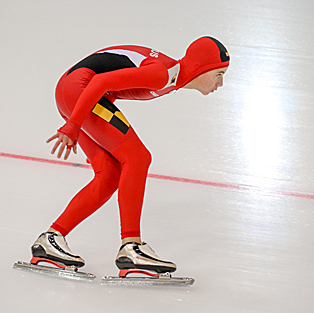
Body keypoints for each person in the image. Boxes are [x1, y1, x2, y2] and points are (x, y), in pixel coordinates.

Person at [31, 36, 230, 274]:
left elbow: (111, 83)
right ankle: (132, 246)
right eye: (218, 74)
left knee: (110, 175)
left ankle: (51, 239)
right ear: (200, 68)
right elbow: (100, 82)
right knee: (138, 158)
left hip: (76, 93)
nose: (221, 83)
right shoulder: (162, 75)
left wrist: (97, 134)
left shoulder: (172, 77)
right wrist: (74, 126)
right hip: (81, 91)